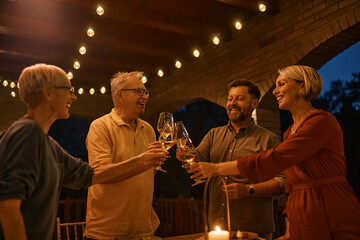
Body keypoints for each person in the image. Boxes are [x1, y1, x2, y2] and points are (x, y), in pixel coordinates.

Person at [189, 65, 360, 240]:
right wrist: (290, 228)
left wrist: (217, 169)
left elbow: (274, 160)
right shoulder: (289, 132)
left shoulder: (321, 122)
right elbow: (291, 186)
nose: (274, 91)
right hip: (301, 211)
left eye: (281, 84)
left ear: (303, 87)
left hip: (329, 205)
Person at [0, 64, 166, 240]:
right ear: (48, 93)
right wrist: (141, 161)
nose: (74, 96)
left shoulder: (49, 145)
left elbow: (89, 176)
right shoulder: (26, 132)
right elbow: (7, 206)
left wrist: (145, 162)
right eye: (68, 89)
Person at [190, 79, 285, 240]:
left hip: (254, 230)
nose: (232, 103)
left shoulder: (268, 139)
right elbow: (196, 160)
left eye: (239, 98)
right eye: (230, 98)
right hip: (217, 229)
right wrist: (185, 153)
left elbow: (283, 182)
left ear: (254, 103)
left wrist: (248, 190)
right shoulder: (213, 134)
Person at [84, 71, 161, 239]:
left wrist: (154, 162)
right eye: (139, 91)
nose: (145, 97)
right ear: (120, 95)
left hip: (143, 231)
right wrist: (142, 161)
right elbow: (100, 174)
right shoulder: (100, 126)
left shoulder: (148, 129)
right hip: (106, 233)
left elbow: (146, 175)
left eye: (146, 92)